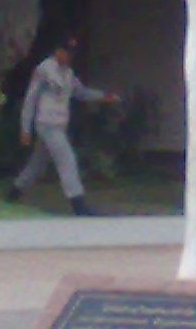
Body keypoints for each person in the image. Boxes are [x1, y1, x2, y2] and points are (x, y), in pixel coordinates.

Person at [7, 36, 115, 214]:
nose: (69, 56)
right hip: (46, 123)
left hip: (59, 125)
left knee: (37, 164)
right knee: (67, 159)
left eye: (71, 53)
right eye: (66, 51)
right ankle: (78, 204)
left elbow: (80, 93)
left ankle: (13, 193)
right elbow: (30, 100)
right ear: (57, 51)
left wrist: (103, 96)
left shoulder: (68, 73)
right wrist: (25, 128)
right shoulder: (44, 70)